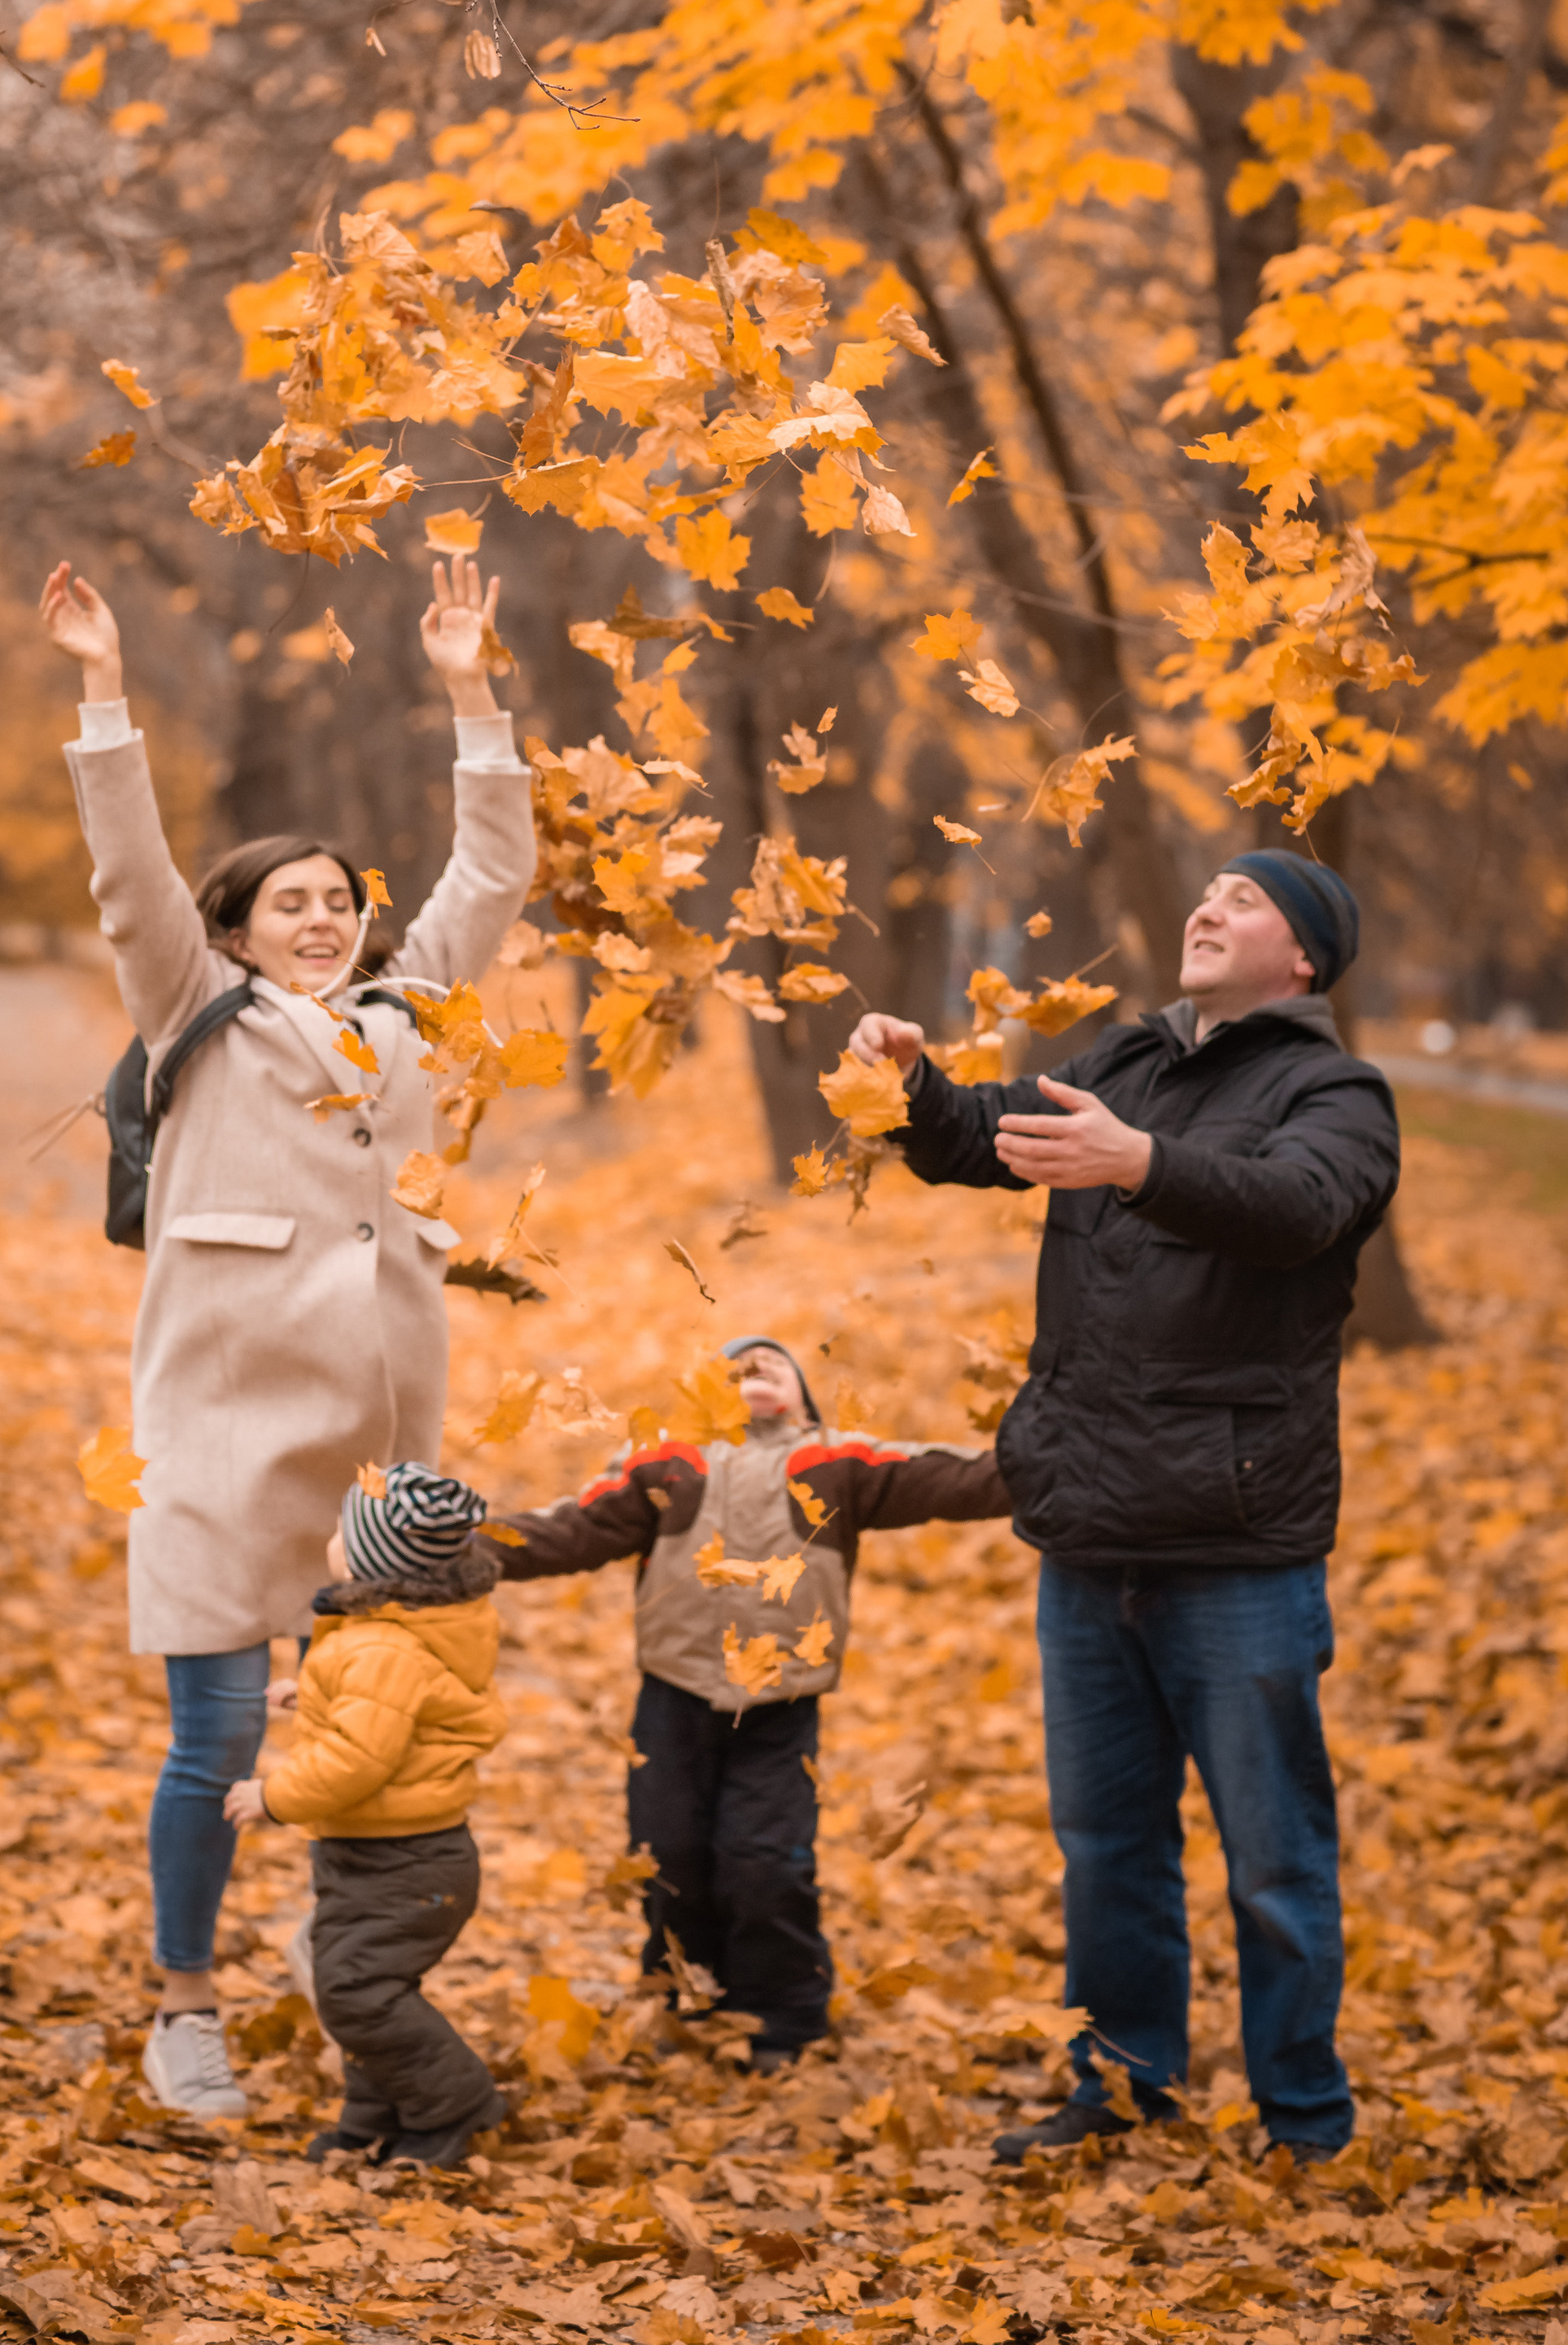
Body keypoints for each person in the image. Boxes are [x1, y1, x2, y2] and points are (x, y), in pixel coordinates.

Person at [39, 553, 535, 2124]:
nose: (321, 920)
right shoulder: (194, 1009)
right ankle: (184, 2003)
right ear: (241, 932)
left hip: (376, 1461)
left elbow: (493, 873)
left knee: (374, 1741)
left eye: (339, 901)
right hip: (216, 1428)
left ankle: (350, 1977)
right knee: (216, 1741)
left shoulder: (410, 1013)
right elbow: (130, 873)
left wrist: (470, 690)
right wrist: (105, 688)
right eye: (290, 904)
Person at [850, 852, 1400, 2166]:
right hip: (1090, 1528)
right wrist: (912, 1087)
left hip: (1235, 1540)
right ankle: (1122, 2087)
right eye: (1207, 890)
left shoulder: (1336, 1091)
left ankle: (1304, 2121)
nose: (1209, 906)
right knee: (1105, 1845)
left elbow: (1300, 1208)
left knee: (1273, 1860)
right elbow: (987, 1136)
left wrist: (1142, 1163)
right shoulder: (1131, 1059)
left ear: (1305, 957)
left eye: (1246, 899)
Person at [488, 1333, 1010, 2068]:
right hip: (673, 1698)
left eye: (776, 1365)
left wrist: (1047, 1460)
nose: (757, 1371)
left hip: (780, 1708)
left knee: (766, 1863)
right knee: (666, 1852)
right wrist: (473, 1549)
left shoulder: (835, 1461)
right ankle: (685, 1991)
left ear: (805, 1397)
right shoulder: (668, 1460)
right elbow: (575, 1528)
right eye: (737, 1369)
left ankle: (785, 2011)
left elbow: (954, 1478)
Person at [225, 1461, 507, 2168]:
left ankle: (455, 2104)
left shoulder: (384, 1645)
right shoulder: (395, 1630)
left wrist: (273, 1797)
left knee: (358, 1992)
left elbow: (359, 1758)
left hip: (403, 1862)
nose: (332, 1539)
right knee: (352, 1986)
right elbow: (386, 1711)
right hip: (387, 1853)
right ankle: (377, 2115)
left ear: (368, 1558)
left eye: (342, 1530)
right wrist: (314, 1697)